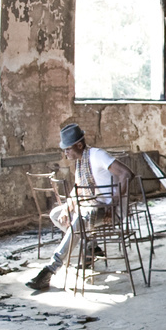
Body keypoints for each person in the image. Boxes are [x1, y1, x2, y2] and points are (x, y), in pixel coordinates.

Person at [25, 123, 133, 292]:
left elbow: (126, 174)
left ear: (80, 145)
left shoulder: (97, 155)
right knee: (56, 214)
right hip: (92, 208)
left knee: (81, 218)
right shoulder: (80, 163)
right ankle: (90, 244)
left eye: (68, 149)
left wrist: (113, 204)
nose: (65, 153)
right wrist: (68, 207)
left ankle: (50, 269)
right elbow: (77, 191)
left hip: (110, 210)